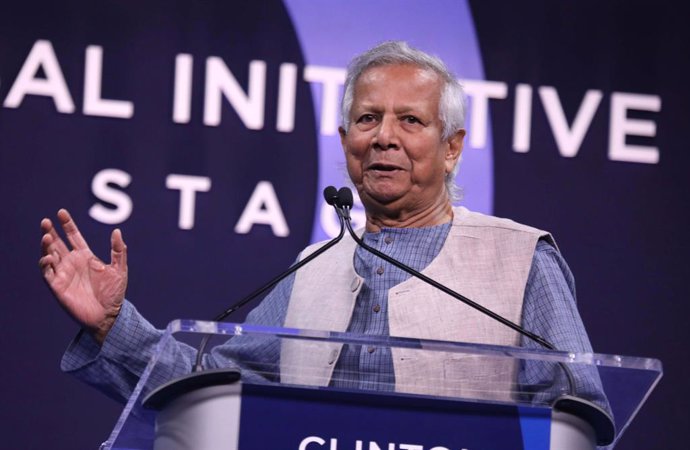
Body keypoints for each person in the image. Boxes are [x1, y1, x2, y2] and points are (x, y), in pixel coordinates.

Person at [39, 41, 606, 408]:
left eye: (410, 120)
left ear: (452, 147)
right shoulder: (311, 271)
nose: (384, 136)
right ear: (344, 142)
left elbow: (579, 418)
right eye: (367, 119)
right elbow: (212, 393)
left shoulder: (521, 259)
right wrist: (115, 325)